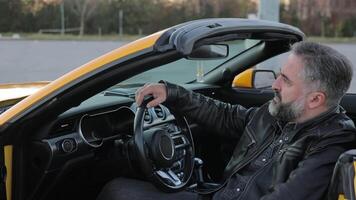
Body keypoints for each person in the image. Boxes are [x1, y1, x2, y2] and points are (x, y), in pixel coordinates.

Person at [97, 41, 356, 200]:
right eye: (278, 75)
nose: (274, 85)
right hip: (217, 194)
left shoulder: (332, 142)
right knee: (117, 190)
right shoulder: (280, 112)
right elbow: (225, 116)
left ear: (315, 99)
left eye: (286, 81)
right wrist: (172, 93)